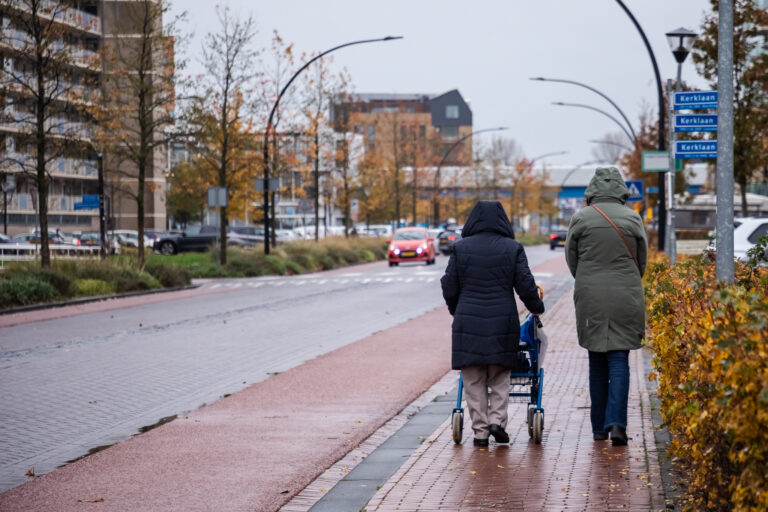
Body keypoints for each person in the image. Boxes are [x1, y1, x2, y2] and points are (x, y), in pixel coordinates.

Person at [441, 201, 545, 446]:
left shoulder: (460, 248)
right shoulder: (513, 248)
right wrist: (537, 308)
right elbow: (525, 285)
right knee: (499, 375)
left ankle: (480, 432)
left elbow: (448, 285)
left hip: (468, 320)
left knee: (473, 377)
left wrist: (456, 309)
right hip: (502, 321)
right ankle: (497, 421)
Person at [565, 166, 647, 446]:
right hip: (627, 293)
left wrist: (588, 278)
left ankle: (598, 428)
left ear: (592, 190)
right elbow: (642, 260)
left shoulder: (581, 218)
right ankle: (617, 425)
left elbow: (571, 259)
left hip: (591, 295)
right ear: (621, 190)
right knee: (619, 359)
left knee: (596, 360)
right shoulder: (632, 218)